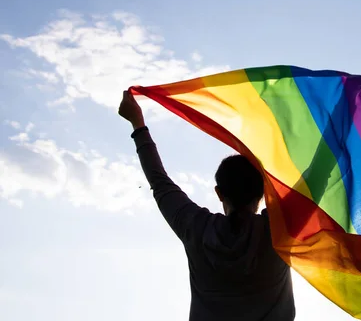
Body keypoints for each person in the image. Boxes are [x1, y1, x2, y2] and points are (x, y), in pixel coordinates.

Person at [118, 91, 295, 321]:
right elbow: (318, 176)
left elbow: (159, 181)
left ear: (219, 193)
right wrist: (339, 127)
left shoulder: (197, 228)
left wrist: (138, 123)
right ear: (264, 193)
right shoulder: (279, 229)